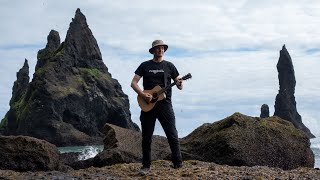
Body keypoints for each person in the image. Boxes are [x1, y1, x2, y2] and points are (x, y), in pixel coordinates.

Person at [131, 40, 183, 171]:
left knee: (172, 134)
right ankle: (146, 165)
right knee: (146, 137)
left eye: (162, 48)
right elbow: (134, 83)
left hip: (165, 105)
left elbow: (180, 85)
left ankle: (178, 164)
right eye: (158, 48)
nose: (160, 50)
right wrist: (142, 95)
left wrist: (180, 83)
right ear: (153, 50)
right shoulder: (144, 65)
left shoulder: (170, 66)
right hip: (147, 104)